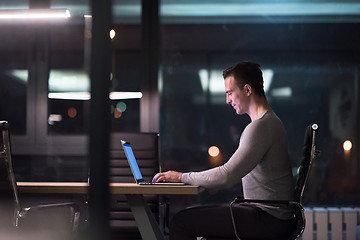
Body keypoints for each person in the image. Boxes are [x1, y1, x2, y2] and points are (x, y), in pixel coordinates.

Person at [152, 61, 296, 240]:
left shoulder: (261, 126)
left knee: (182, 222)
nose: (228, 100)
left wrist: (180, 177)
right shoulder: (269, 123)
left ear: (247, 90)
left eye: (230, 93)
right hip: (271, 215)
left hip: (268, 219)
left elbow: (227, 175)